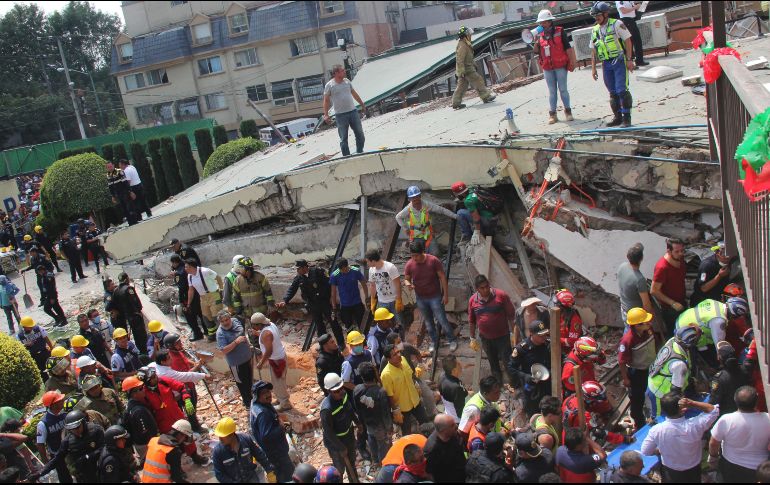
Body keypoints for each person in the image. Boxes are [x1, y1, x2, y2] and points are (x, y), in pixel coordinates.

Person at [641, 393, 719, 482]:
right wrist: (693, 403)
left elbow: (645, 451)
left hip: (670, 473)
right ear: (683, 409)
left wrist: (659, 451)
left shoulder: (656, 430)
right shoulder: (695, 425)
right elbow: (714, 410)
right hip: (693, 471)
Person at [708, 386, 770, 482]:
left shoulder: (727, 420)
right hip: (759, 469)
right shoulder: (768, 419)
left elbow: (713, 443)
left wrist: (713, 458)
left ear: (735, 400)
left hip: (731, 466)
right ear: (756, 401)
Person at [405, 239, 457, 353]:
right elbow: (407, 279)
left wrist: (445, 295)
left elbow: (442, 277)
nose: (414, 258)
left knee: (442, 320)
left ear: (422, 252)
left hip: (435, 297)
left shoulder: (433, 261)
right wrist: (408, 284)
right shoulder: (410, 264)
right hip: (421, 298)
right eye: (412, 256)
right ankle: (434, 341)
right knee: (428, 322)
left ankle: (452, 340)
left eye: (416, 256)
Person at [590, 1, 635, 127]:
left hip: (619, 61)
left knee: (622, 90)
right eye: (594, 16)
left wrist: (629, 59)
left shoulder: (617, 24)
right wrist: (593, 68)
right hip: (606, 64)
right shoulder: (595, 30)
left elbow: (628, 41)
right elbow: (593, 50)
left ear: (605, 14)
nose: (596, 18)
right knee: (612, 92)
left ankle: (627, 118)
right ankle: (618, 117)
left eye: (598, 15)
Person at [278, 259, 343, 346]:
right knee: (320, 326)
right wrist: (285, 300)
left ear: (305, 267)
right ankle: (324, 346)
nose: (297, 270)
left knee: (333, 323)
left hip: (324, 303)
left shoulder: (318, 272)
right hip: (313, 305)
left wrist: (331, 297)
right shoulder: (299, 278)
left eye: (298, 268)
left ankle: (341, 344)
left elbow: (329, 284)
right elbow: (292, 289)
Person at [468, 275, 516, 386]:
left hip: (503, 337)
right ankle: (497, 386)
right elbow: (471, 321)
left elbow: (511, 315)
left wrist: (514, 333)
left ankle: (515, 384)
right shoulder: (473, 301)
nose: (485, 289)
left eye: (487, 286)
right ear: (477, 289)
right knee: (493, 362)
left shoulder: (501, 295)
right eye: (482, 288)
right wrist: (472, 338)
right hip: (486, 339)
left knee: (508, 362)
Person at [32, 409, 105, 483]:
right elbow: (57, 459)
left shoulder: (95, 430)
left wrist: (88, 456)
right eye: (72, 429)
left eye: (77, 427)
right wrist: (39, 473)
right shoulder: (68, 441)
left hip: (102, 467)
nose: (75, 431)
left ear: (83, 422)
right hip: (85, 475)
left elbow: (105, 447)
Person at [675, 297, 749, 368]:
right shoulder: (719, 321)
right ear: (734, 315)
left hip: (681, 319)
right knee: (709, 358)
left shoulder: (713, 302)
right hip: (686, 333)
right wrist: (722, 360)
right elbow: (720, 345)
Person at [646, 325, 699, 419]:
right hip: (659, 394)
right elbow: (675, 392)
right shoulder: (679, 364)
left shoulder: (672, 341)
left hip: (654, 382)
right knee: (659, 419)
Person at [533, 9, 576, 124]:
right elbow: (536, 51)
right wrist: (536, 41)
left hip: (560, 65)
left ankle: (568, 112)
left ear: (550, 21)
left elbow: (567, 47)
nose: (543, 24)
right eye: (541, 22)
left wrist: (572, 61)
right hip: (547, 67)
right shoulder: (539, 36)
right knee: (552, 91)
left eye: (544, 22)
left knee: (563, 89)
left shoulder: (559, 31)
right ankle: (552, 115)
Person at [618, 308, 657, 429]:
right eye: (646, 322)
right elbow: (622, 361)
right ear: (637, 325)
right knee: (637, 399)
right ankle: (640, 424)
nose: (649, 323)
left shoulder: (648, 330)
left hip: (652, 368)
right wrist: (625, 379)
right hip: (638, 373)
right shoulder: (627, 340)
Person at [250, 380, 295, 482]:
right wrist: (281, 427)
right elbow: (266, 436)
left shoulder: (257, 405)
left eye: (268, 391)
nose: (268, 395)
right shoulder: (262, 413)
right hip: (276, 455)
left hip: (273, 453)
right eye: (263, 393)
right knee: (288, 477)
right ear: (257, 396)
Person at [382, 344, 429, 435]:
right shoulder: (386, 374)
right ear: (388, 359)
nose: (399, 355)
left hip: (415, 400)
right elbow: (389, 395)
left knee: (426, 423)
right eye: (395, 354)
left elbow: (410, 375)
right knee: (407, 431)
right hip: (403, 408)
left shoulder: (403, 359)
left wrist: (416, 385)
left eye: (398, 352)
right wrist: (395, 411)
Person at [395, 186, 458, 255]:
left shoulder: (426, 204)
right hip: (415, 236)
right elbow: (398, 217)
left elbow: (441, 210)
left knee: (435, 253)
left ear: (420, 196)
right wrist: (405, 228)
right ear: (409, 199)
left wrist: (455, 216)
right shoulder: (408, 209)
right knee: (418, 254)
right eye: (413, 198)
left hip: (428, 234)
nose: (416, 200)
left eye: (417, 197)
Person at [212, 416, 276, 483]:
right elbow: (219, 474)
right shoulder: (218, 452)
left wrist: (269, 471)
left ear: (232, 434)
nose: (220, 438)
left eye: (222, 436)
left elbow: (259, 455)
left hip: (251, 478)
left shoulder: (246, 440)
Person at [320, 373, 358, 482]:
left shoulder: (343, 395)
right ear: (329, 391)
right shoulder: (327, 409)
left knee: (352, 464)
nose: (341, 391)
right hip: (335, 444)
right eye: (337, 391)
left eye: (341, 388)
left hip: (348, 437)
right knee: (339, 470)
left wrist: (358, 422)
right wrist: (341, 447)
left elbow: (349, 410)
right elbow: (328, 432)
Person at [508, 321, 552, 415]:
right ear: (531, 333)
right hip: (531, 387)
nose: (544, 337)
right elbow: (511, 368)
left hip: (547, 385)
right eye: (540, 335)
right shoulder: (522, 348)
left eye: (545, 334)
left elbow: (561, 358)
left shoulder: (548, 344)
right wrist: (525, 376)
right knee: (533, 411)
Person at [352, 361, 392, 464]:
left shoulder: (357, 389)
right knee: (383, 445)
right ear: (374, 375)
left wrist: (361, 421)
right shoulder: (381, 392)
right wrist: (389, 428)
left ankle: (375, 461)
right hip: (380, 425)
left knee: (371, 439)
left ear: (362, 376)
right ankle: (384, 463)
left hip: (368, 423)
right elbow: (386, 413)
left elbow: (357, 408)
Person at [323, 64, 366, 157]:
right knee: (343, 138)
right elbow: (326, 100)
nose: (344, 72)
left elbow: (354, 93)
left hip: (353, 112)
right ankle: (346, 157)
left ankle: (360, 152)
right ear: (336, 73)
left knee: (360, 134)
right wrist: (326, 114)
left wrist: (362, 104)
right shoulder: (329, 85)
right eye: (342, 71)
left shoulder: (347, 81)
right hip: (340, 115)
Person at [252, 312, 292, 411]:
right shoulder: (271, 325)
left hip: (277, 361)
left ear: (259, 324)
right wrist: (257, 334)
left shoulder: (266, 334)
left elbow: (269, 351)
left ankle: (285, 404)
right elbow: (268, 338)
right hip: (279, 357)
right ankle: (280, 399)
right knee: (277, 381)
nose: (253, 326)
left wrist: (261, 363)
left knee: (278, 383)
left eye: (254, 325)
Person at [451, 25, 496, 109]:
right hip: (466, 69)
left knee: (462, 86)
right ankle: (486, 97)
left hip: (466, 68)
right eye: (468, 33)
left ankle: (456, 103)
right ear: (465, 35)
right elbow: (460, 59)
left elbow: (469, 57)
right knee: (478, 80)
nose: (470, 35)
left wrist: (474, 65)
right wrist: (461, 71)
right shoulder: (463, 45)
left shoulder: (465, 43)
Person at [216, 311, 254, 407]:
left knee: (249, 380)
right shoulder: (220, 333)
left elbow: (243, 334)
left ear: (230, 318)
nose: (225, 322)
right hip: (236, 363)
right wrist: (236, 342)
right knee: (242, 384)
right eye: (222, 321)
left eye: (227, 319)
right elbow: (224, 350)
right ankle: (248, 403)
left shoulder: (236, 321)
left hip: (247, 357)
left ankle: (252, 399)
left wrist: (249, 345)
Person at [651, 237, 687, 336]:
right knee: (674, 335)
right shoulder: (662, 267)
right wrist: (673, 303)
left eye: (682, 250)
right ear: (669, 251)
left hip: (682, 302)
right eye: (677, 251)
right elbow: (654, 290)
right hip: (670, 309)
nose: (680, 253)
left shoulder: (680, 258)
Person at [35, 391, 72, 483]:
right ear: (53, 405)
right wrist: (46, 462)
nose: (63, 401)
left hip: (72, 449)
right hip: (58, 456)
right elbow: (40, 444)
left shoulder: (65, 413)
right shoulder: (43, 423)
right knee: (65, 478)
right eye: (60, 400)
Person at [617, 243, 655, 325]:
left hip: (624, 309)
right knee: (636, 332)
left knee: (629, 330)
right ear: (642, 258)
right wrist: (649, 319)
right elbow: (646, 304)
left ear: (628, 256)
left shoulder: (622, 266)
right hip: (636, 316)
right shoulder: (639, 279)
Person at [185, 259, 223, 341]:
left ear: (191, 267)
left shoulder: (205, 271)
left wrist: (221, 289)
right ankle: (212, 335)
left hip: (213, 295)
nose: (185, 269)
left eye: (186, 267)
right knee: (206, 316)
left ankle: (223, 334)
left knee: (217, 316)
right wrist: (188, 303)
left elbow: (218, 278)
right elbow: (191, 290)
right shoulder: (190, 276)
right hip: (203, 298)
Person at [170, 254, 205, 341]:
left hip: (188, 296)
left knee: (190, 317)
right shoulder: (186, 267)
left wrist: (181, 300)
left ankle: (197, 333)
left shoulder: (179, 273)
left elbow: (181, 287)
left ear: (174, 262)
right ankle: (207, 331)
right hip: (197, 293)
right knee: (201, 314)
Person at [120, 376, 158, 457]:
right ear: (133, 394)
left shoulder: (131, 405)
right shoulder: (138, 411)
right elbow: (145, 433)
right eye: (140, 388)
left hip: (142, 443)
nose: (144, 389)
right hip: (147, 445)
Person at [366, 249, 404, 327]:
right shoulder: (371, 270)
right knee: (385, 325)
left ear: (373, 261)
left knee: (400, 323)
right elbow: (372, 285)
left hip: (394, 300)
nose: (367, 264)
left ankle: (401, 334)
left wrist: (399, 299)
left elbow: (397, 284)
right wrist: (372, 300)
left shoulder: (390, 267)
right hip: (382, 302)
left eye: (368, 261)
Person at [424, 413, 466, 482]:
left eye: (454, 423)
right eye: (452, 425)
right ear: (443, 430)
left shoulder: (453, 434)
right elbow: (429, 474)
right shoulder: (432, 449)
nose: (456, 426)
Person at [111, 273, 148, 350]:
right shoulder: (129, 289)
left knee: (135, 335)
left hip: (126, 316)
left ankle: (140, 349)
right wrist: (138, 310)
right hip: (135, 315)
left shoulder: (116, 290)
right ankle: (144, 350)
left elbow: (113, 304)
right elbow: (135, 302)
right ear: (126, 279)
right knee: (141, 335)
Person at [709, 342, 749, 414]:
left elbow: (713, 402)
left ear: (719, 358)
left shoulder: (719, 378)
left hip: (728, 413)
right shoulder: (745, 369)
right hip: (747, 408)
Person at [329, 258, 368, 331]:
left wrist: (366, 298)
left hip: (357, 303)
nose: (342, 271)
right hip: (345, 306)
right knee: (349, 328)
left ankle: (364, 337)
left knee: (363, 325)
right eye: (340, 269)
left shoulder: (355, 271)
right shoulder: (334, 275)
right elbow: (333, 292)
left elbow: (364, 284)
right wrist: (334, 307)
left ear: (347, 266)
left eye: (344, 269)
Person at [17, 316, 53, 382]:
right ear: (24, 327)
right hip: (34, 357)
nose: (31, 327)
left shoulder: (38, 328)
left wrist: (51, 348)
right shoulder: (19, 336)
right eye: (29, 327)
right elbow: (18, 347)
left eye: (31, 326)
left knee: (53, 368)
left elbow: (46, 338)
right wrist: (26, 344)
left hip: (44, 352)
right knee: (43, 374)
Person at [552, 288, 584, 353]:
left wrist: (555, 339)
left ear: (562, 307)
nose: (555, 306)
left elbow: (572, 341)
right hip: (558, 347)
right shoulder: (559, 314)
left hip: (568, 352)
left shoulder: (574, 320)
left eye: (557, 305)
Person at [616, 1, 648, 66]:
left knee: (637, 41)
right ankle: (631, 62)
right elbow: (623, 11)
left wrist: (639, 5)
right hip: (626, 21)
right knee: (630, 42)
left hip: (631, 20)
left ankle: (639, 60)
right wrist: (635, 7)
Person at [106, 161, 138, 225]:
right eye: (108, 167)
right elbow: (110, 187)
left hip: (125, 192)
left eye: (111, 166)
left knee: (129, 207)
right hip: (118, 194)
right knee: (124, 208)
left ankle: (134, 220)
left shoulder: (119, 171)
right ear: (107, 168)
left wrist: (130, 191)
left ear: (113, 165)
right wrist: (113, 196)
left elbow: (125, 182)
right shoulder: (108, 175)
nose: (110, 168)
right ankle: (130, 222)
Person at [439, 354, 468, 423]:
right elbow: (461, 413)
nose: (460, 364)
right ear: (454, 370)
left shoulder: (442, 376)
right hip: (457, 420)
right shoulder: (456, 388)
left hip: (448, 412)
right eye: (458, 364)